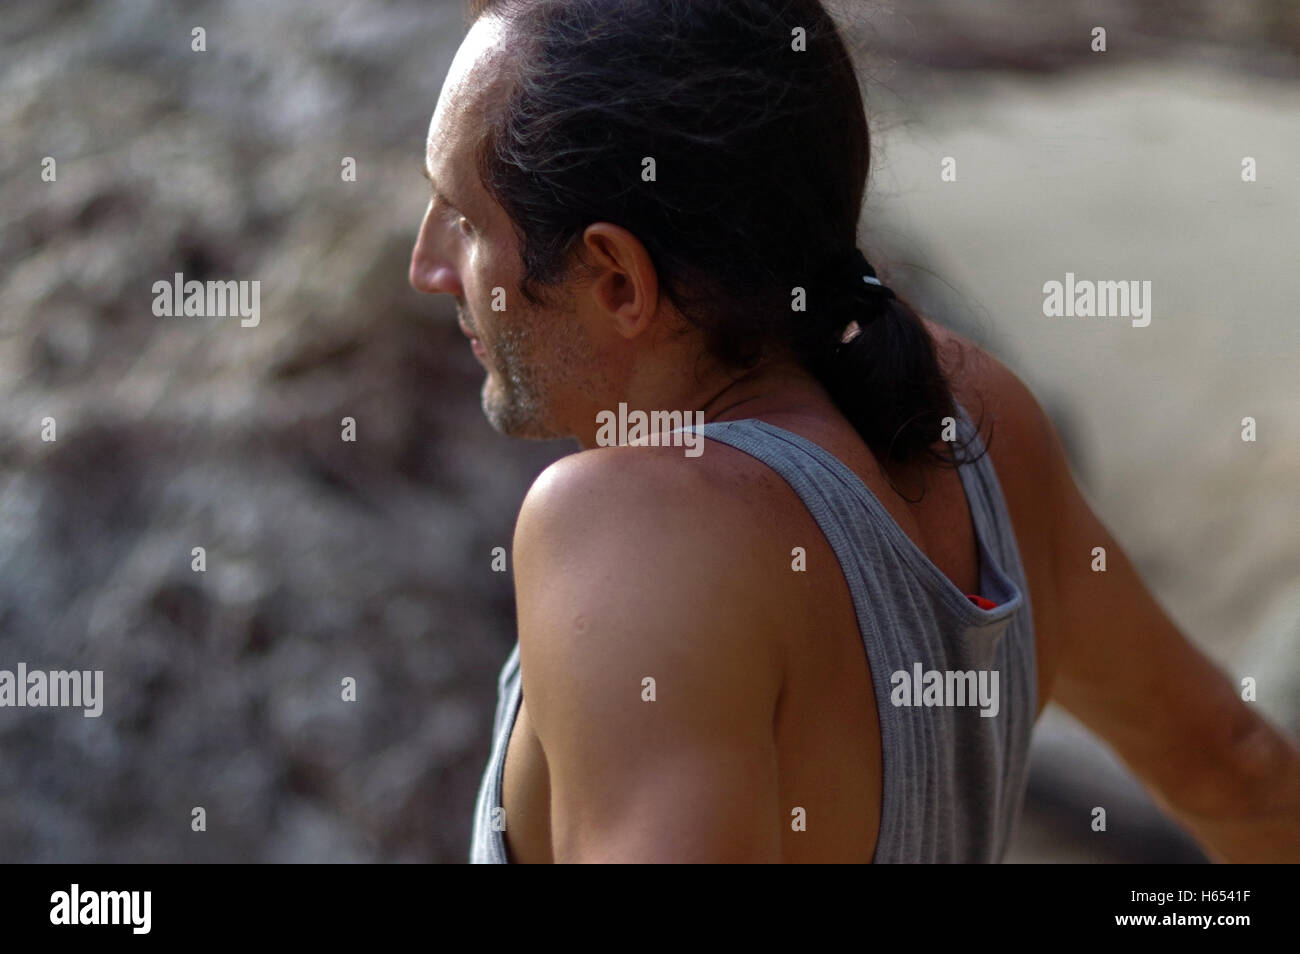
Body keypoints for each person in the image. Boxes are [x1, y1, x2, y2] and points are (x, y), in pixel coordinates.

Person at [407, 0, 1300, 863]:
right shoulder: (976, 414)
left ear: (616, 279)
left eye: (461, 216)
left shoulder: (633, 530)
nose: (427, 266)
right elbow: (1235, 764)